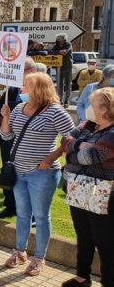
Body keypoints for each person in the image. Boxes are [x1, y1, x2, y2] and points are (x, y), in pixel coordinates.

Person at [0, 72, 74, 276]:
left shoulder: (55, 112)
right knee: (22, 214)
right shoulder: (18, 107)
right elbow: (6, 136)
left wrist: (52, 157)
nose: (22, 89)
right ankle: (20, 251)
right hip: (19, 171)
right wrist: (6, 117)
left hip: (43, 174)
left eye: (26, 85)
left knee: (41, 217)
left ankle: (40, 258)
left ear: (38, 89)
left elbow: (71, 138)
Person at [60, 87, 114, 287]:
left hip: (104, 193)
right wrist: (78, 147)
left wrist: (75, 150)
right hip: (79, 188)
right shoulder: (89, 124)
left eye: (93, 105)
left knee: (105, 240)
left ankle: (109, 281)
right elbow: (65, 140)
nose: (88, 108)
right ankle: (82, 276)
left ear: (105, 110)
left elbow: (90, 157)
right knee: (83, 233)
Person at [0, 58, 37, 218]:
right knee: (8, 172)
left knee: (29, 178)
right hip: (9, 140)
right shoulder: (12, 89)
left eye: (20, 69)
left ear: (31, 71)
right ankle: (10, 206)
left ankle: (30, 213)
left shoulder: (40, 91)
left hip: (29, 144)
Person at [49, 33, 74, 108]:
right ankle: (59, 100)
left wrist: (58, 52)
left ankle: (66, 101)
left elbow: (65, 52)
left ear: (63, 39)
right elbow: (50, 52)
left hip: (67, 66)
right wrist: (59, 52)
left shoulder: (68, 44)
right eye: (58, 39)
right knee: (59, 84)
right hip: (58, 67)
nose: (59, 41)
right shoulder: (55, 45)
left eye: (60, 39)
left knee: (68, 84)